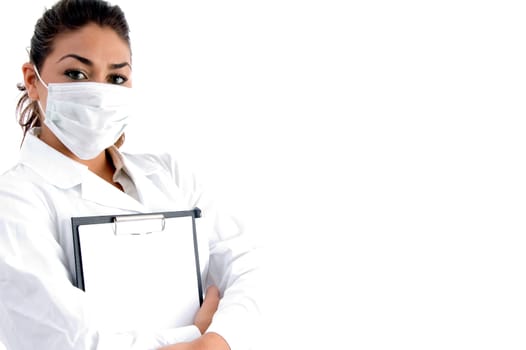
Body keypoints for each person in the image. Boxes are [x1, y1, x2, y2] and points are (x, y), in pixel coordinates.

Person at [0, 0, 261, 349]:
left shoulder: (169, 173)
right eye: (76, 74)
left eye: (116, 78)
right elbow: (69, 338)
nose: (98, 92)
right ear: (33, 80)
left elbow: (252, 267)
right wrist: (199, 337)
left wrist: (220, 339)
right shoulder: (14, 200)